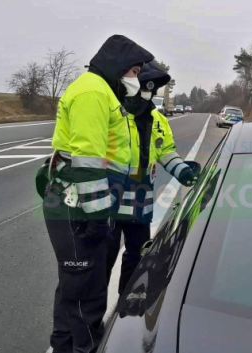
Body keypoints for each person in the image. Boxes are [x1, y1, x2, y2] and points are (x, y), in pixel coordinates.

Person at [41, 34, 153, 353]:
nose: (136, 78)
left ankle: (64, 345)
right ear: (117, 66)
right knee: (85, 288)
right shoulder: (92, 91)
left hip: (78, 195)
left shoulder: (103, 90)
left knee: (75, 283)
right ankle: (83, 348)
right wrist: (98, 213)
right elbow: (87, 157)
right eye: (133, 71)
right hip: (77, 198)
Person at [105, 61, 199, 295]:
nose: (150, 92)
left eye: (153, 88)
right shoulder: (114, 113)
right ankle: (92, 318)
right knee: (103, 257)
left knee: (138, 254)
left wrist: (182, 171)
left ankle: (127, 305)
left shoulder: (158, 120)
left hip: (140, 197)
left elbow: (166, 150)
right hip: (109, 197)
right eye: (146, 86)